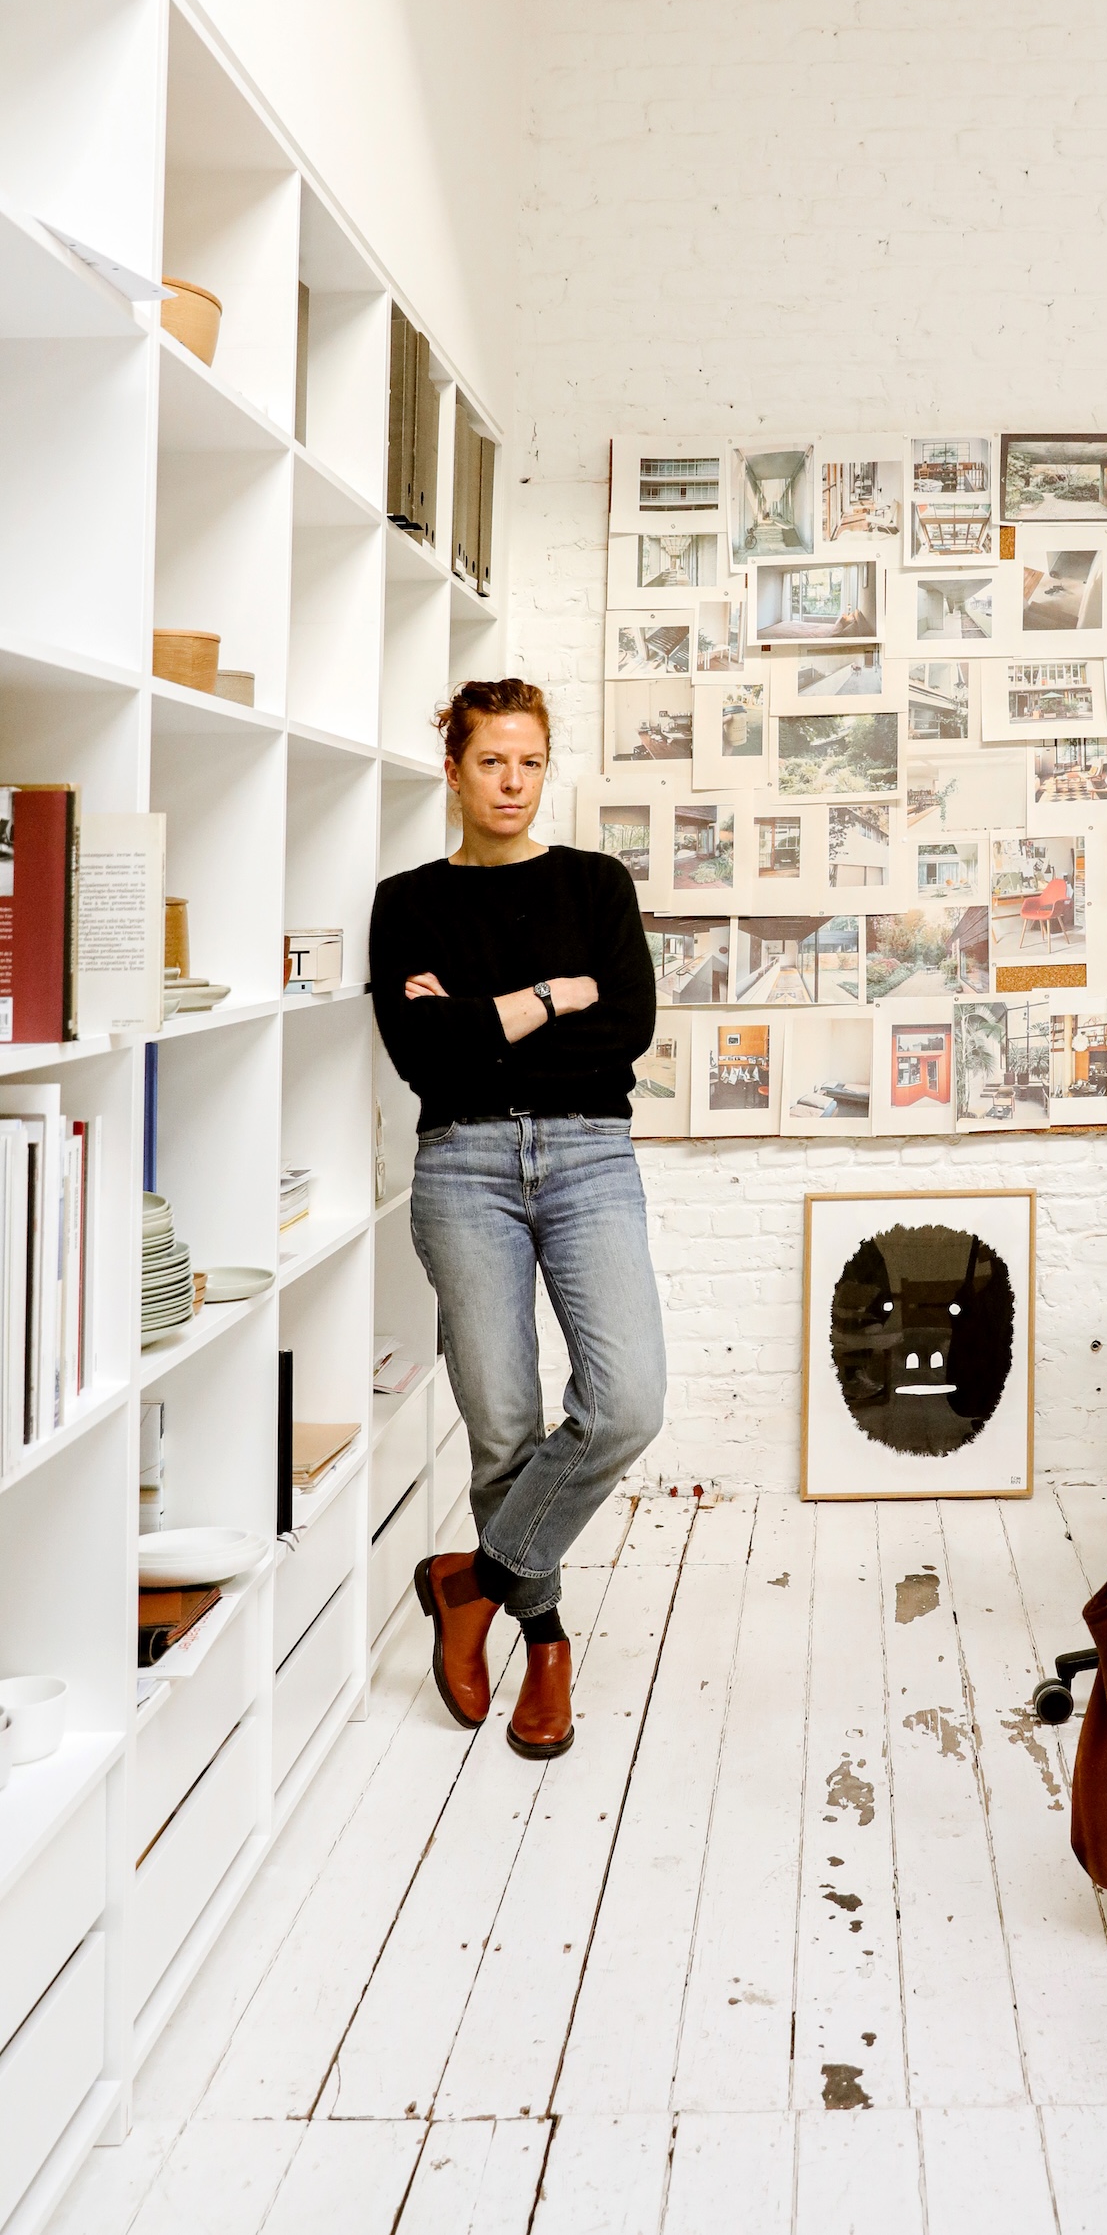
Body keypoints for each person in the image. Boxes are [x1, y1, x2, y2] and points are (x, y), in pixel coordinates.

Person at [369, 677, 663, 1761]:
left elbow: (623, 1030)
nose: (512, 782)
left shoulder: (595, 882)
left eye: (530, 761)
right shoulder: (406, 902)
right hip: (464, 1164)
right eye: (491, 760)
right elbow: (423, 1059)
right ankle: (542, 1639)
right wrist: (552, 996)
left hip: (589, 1153)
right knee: (501, 1416)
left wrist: (482, 1016)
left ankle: (471, 1581)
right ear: (453, 769)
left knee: (626, 1400)